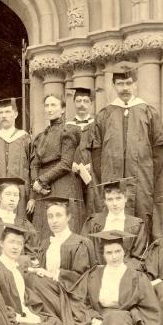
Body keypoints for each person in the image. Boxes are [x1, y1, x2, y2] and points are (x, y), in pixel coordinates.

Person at [89, 62, 163, 242]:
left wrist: (150, 180)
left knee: (142, 222)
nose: (125, 88)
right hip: (112, 183)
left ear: (135, 84)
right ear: (114, 85)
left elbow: (159, 156)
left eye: (129, 83)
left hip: (142, 183)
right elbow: (96, 158)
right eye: (121, 84)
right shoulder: (104, 115)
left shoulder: (148, 113)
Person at [25, 196, 93, 325]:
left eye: (58, 215)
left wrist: (54, 274)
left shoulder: (80, 243)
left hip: (69, 297)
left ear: (68, 217)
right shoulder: (45, 244)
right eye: (50, 216)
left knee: (34, 281)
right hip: (45, 293)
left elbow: (82, 278)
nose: (54, 220)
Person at [29, 91, 80, 238]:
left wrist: (41, 180)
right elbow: (34, 164)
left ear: (63, 109)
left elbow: (65, 164)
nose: (49, 109)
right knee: (43, 227)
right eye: (46, 105)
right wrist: (35, 184)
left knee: (60, 224)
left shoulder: (68, 131)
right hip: (42, 188)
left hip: (61, 184)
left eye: (53, 105)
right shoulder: (41, 136)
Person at [0, 97, 33, 220]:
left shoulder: (25, 138)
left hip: (21, 194)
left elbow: (33, 168)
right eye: (0, 112)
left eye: (8, 112)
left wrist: (32, 197)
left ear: (15, 114)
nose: (4, 116)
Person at [81, 177, 148, 265]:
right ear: (105, 201)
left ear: (125, 199)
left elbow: (138, 257)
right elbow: (84, 252)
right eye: (110, 199)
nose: (115, 203)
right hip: (98, 272)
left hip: (125, 273)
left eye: (118, 198)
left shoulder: (137, 225)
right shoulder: (93, 222)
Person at [65, 85, 100, 226]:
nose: (82, 105)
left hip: (93, 175)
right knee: (74, 212)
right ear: (73, 103)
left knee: (93, 208)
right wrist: (70, 164)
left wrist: (93, 164)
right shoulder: (66, 126)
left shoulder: (97, 125)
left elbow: (103, 149)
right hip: (72, 175)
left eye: (86, 101)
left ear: (91, 104)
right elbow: (62, 151)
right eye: (78, 101)